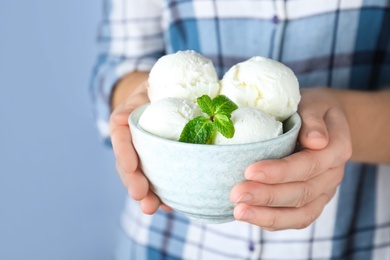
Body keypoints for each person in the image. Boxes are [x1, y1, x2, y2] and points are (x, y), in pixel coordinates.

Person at [90, 1, 390, 259]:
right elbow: (116, 68)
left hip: (351, 241)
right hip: (168, 243)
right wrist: (138, 102)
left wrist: (342, 120)